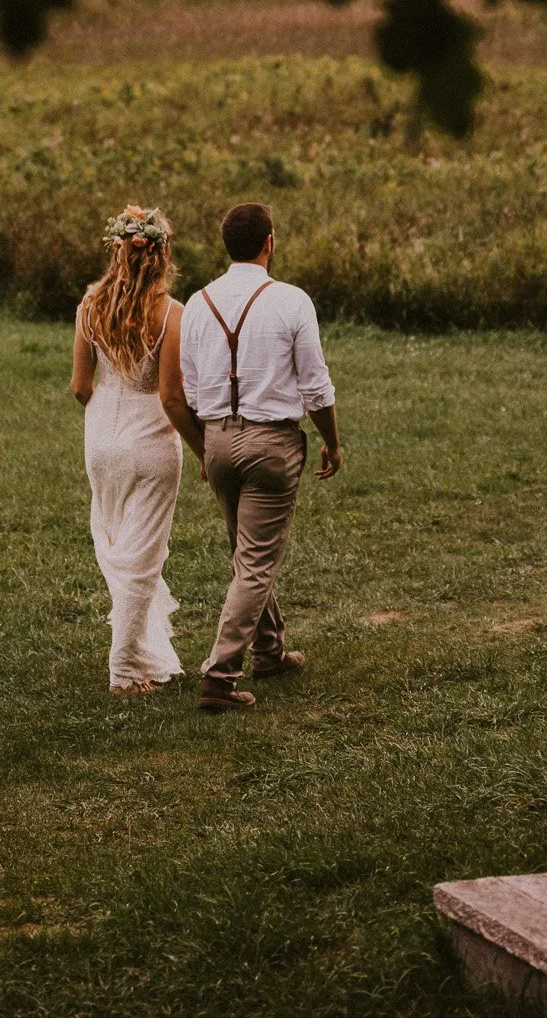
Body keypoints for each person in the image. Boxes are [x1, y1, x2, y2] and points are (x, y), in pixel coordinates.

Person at [161, 202, 341, 714]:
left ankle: (270, 651)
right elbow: (316, 388)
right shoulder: (291, 301)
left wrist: (208, 445)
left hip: (216, 440)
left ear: (227, 245)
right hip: (271, 444)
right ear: (269, 242)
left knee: (247, 556)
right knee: (257, 562)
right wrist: (332, 440)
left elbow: (191, 389)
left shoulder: (197, 303)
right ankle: (219, 677)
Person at [72, 205, 187, 694]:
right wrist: (203, 449)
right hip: (152, 441)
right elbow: (170, 396)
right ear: (160, 256)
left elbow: (80, 386)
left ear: (119, 249)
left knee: (119, 546)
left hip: (102, 438)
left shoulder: (89, 306)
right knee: (143, 556)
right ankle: (124, 670)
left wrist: (107, 409)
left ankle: (139, 652)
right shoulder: (172, 313)